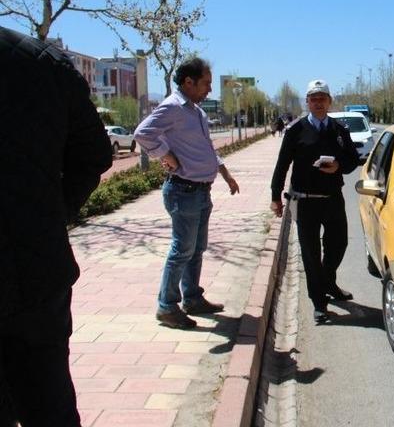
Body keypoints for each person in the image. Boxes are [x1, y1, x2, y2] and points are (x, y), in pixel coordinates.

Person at [0, 26, 113, 426]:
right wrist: (49, 215)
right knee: (48, 404)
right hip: (35, 271)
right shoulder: (43, 62)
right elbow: (95, 154)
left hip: (33, 274)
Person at [134, 57, 240, 330]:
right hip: (183, 191)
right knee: (182, 250)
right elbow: (143, 134)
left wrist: (225, 174)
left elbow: (207, 148)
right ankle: (167, 307)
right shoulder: (173, 107)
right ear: (188, 82)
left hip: (201, 192)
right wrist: (165, 154)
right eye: (206, 83)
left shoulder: (196, 112)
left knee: (196, 250)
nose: (210, 89)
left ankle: (192, 298)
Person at [270, 79, 360, 324]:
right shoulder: (295, 131)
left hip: (333, 199)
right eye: (314, 99)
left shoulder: (339, 130)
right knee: (311, 254)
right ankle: (319, 303)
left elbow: (353, 160)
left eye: (322, 98)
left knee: (339, 244)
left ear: (329, 102)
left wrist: (339, 166)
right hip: (305, 201)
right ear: (307, 102)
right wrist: (275, 196)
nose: (318, 103)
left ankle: (328, 281)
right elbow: (282, 165)